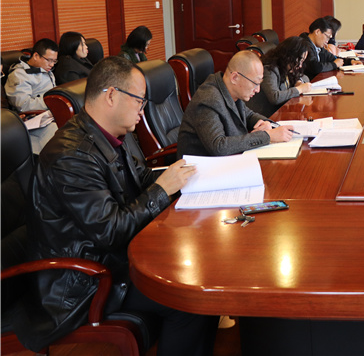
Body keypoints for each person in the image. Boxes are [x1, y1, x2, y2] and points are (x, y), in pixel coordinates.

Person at [15, 56, 217, 355]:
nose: (143, 109)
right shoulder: (72, 156)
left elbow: (141, 178)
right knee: (190, 299)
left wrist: (187, 176)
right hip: (82, 282)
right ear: (111, 95)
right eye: (139, 100)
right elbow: (110, 232)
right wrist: (163, 189)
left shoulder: (108, 135)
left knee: (204, 273)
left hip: (111, 259)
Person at [177, 50, 293, 158]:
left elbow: (248, 115)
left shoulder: (231, 90)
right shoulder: (208, 99)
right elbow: (218, 146)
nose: (257, 90)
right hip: (202, 167)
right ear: (235, 77)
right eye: (255, 83)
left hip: (228, 161)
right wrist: (268, 136)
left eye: (259, 83)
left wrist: (266, 123)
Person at [4, 38, 60, 153]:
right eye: (49, 60)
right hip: (32, 121)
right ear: (36, 56)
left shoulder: (47, 70)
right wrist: (52, 101)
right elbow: (23, 105)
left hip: (50, 114)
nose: (51, 65)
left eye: (54, 61)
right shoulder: (19, 75)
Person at [247, 36, 314, 118]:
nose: (300, 65)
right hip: (265, 116)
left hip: (280, 112)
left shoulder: (286, 66)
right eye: (299, 60)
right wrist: (299, 89)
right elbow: (275, 97)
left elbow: (305, 77)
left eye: (302, 61)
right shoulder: (269, 69)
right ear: (289, 56)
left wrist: (299, 81)